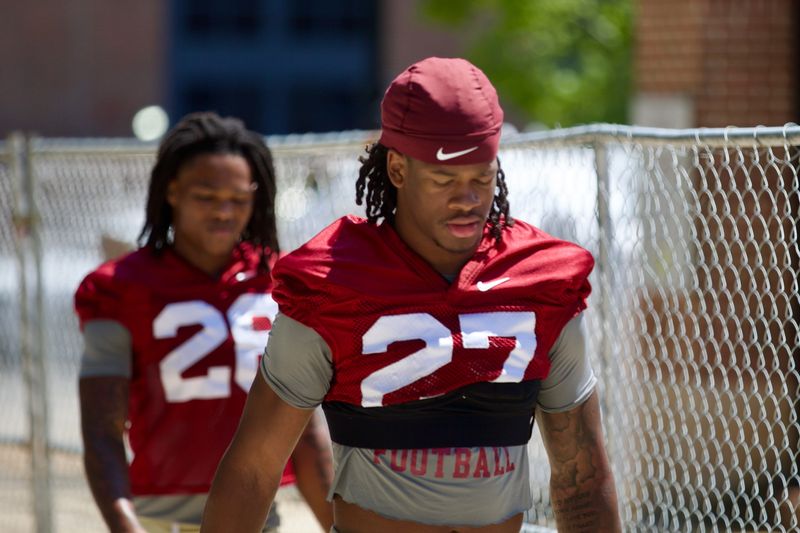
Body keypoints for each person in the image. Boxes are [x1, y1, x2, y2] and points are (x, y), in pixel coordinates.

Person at [202, 58, 621, 532]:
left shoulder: (542, 279)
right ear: (398, 169)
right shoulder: (331, 282)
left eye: (481, 178)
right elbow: (255, 467)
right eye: (445, 181)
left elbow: (580, 476)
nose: (467, 200)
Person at [75, 112, 334, 533]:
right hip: (160, 518)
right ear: (172, 191)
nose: (224, 212)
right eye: (206, 196)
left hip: (257, 514)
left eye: (238, 198)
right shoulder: (119, 288)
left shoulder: (280, 283)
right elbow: (101, 429)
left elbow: (303, 426)